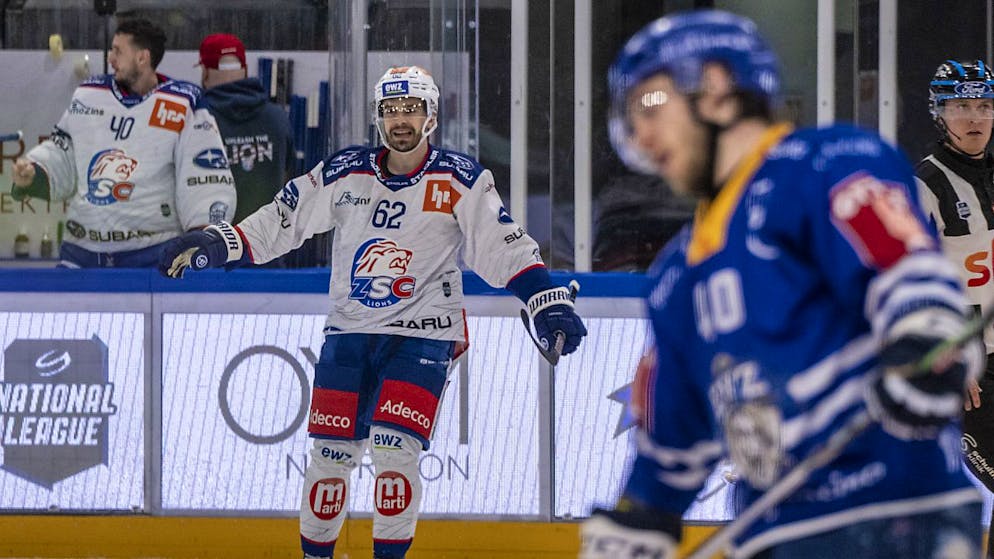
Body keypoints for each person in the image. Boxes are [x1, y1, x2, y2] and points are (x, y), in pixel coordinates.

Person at [580, 10, 985, 559]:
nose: (641, 132)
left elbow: (904, 269)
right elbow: (674, 422)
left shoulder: (825, 164)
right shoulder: (677, 277)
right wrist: (641, 516)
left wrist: (923, 333)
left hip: (893, 516)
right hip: (769, 534)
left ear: (717, 89)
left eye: (652, 103)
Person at [157, 65, 587, 559]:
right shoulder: (345, 171)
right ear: (377, 117)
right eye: (390, 110)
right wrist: (218, 242)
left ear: (430, 115)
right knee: (329, 458)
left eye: (411, 109)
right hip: (350, 333)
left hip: (424, 334)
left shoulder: (460, 178)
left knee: (394, 451)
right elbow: (283, 219)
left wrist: (542, 297)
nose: (400, 119)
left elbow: (502, 246)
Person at [9, 18, 235, 268]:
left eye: (118, 51)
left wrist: (203, 234)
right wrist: (35, 172)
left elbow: (204, 172)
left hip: (152, 257)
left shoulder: (183, 102)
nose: (110, 59)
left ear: (142, 58)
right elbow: (64, 150)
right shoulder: (89, 96)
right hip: (81, 254)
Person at [914, 59, 994, 558]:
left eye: (984, 105)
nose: (975, 117)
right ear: (939, 113)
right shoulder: (926, 183)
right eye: (960, 105)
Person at [198, 32, 294, 224]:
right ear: (246, 69)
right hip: (269, 245)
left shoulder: (196, 119)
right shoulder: (278, 118)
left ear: (205, 72)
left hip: (214, 247)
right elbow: (289, 179)